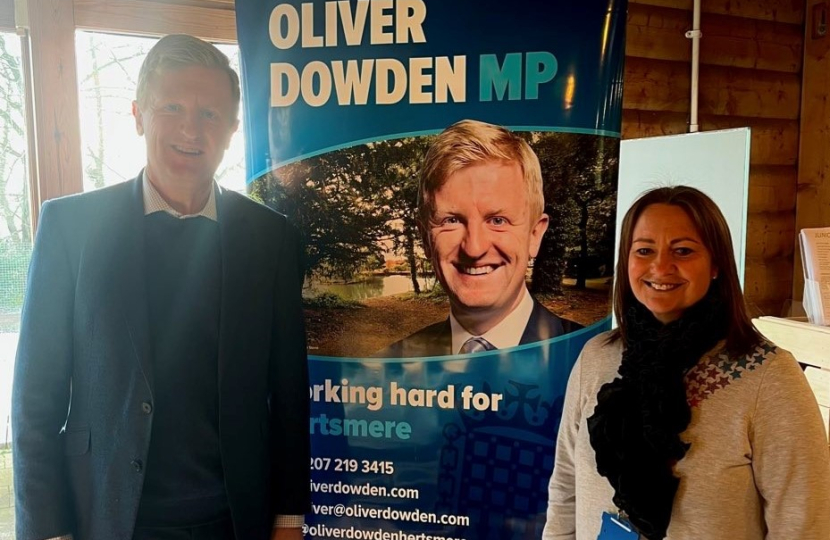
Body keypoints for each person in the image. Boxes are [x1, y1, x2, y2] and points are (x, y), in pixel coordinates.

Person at [12, 35, 310, 540]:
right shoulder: (69, 227)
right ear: (138, 115)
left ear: (233, 128)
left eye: (210, 113)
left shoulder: (270, 239)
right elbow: (34, 400)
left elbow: (287, 394)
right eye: (171, 107)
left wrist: (287, 519)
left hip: (234, 520)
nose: (191, 129)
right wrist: (46, 530)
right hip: (105, 519)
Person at [543, 186, 830, 539]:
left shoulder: (768, 376)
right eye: (644, 250)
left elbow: (803, 523)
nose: (661, 267)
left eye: (683, 250)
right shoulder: (596, 356)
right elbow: (565, 488)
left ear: (716, 265)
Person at [375, 119, 580, 358]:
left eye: (497, 220)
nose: (474, 248)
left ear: (535, 234)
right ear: (425, 238)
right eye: (452, 221)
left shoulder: (588, 363)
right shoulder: (385, 370)